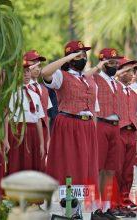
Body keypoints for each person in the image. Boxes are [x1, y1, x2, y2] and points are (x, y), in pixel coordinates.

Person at [41, 41, 100, 207]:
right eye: (78, 56)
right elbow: (45, 72)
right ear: (70, 59)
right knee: (69, 163)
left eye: (84, 55)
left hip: (86, 125)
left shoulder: (86, 78)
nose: (82, 58)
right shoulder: (61, 75)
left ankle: (77, 207)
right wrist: (66, 58)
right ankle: (67, 201)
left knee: (85, 164)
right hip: (69, 123)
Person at [90, 48, 124, 219]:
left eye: (116, 62)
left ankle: (106, 206)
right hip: (101, 124)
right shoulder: (94, 79)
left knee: (110, 169)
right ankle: (95, 208)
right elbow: (85, 76)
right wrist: (98, 67)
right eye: (111, 62)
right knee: (98, 167)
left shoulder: (116, 83)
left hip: (115, 125)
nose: (115, 65)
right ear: (103, 63)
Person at [7, 59, 45, 174]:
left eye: (28, 71)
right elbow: (7, 117)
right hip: (17, 132)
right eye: (22, 71)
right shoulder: (12, 94)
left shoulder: (35, 95)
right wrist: (6, 140)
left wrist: (42, 143)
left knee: (32, 165)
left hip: (33, 133)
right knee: (16, 164)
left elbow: (38, 119)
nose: (26, 74)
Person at [114, 57, 137, 218]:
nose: (133, 74)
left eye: (132, 71)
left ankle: (124, 199)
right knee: (117, 169)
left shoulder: (133, 92)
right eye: (128, 71)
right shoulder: (114, 88)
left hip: (131, 132)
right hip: (118, 131)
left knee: (128, 171)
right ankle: (115, 202)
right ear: (121, 72)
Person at [25, 50, 53, 171]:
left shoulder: (44, 89)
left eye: (39, 65)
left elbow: (47, 115)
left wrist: (48, 138)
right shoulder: (21, 88)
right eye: (34, 64)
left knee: (41, 167)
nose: (37, 68)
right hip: (27, 131)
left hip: (43, 133)